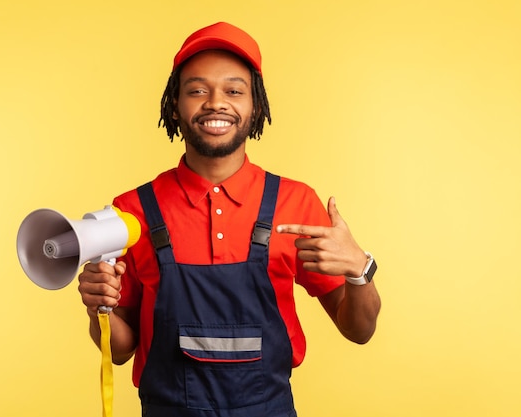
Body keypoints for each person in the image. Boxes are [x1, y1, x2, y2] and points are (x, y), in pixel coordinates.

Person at [78, 22, 382, 417]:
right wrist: (98, 308)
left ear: (255, 105)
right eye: (197, 90)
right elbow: (120, 350)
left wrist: (360, 269)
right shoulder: (131, 212)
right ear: (175, 104)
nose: (215, 103)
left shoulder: (295, 203)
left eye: (234, 91)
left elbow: (359, 331)